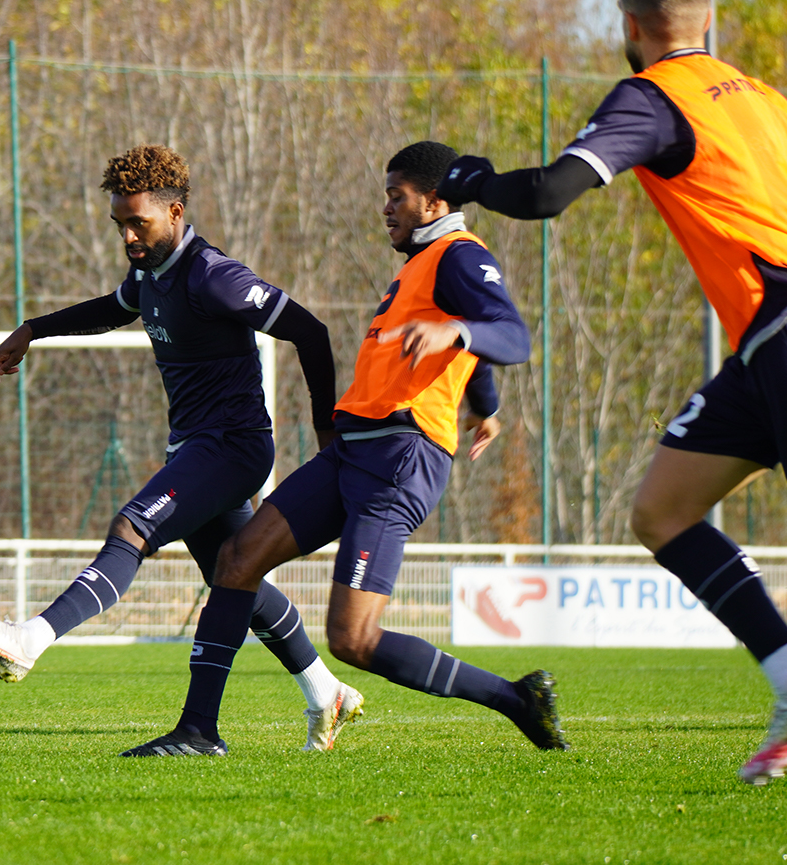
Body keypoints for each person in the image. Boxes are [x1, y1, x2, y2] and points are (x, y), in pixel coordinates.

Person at [438, 0, 787, 785]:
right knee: (663, 512)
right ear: (709, 15)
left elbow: (548, 194)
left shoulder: (652, 97)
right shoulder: (756, 95)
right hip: (779, 343)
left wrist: (468, 180)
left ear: (629, 22)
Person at [122, 140, 568, 757]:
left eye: (397, 196)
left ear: (435, 199)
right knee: (237, 558)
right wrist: (483, 405)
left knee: (353, 640)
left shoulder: (459, 256)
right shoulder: (419, 263)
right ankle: (198, 732)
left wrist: (453, 334)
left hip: (401, 459)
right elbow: (466, 348)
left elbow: (510, 334)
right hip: (354, 450)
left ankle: (515, 699)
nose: (386, 207)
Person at [0, 144, 364, 752]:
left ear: (175, 212)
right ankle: (326, 692)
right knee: (234, 576)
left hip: (233, 446)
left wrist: (327, 430)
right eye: (119, 223)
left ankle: (30, 640)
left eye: (137, 223)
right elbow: (112, 309)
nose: (127, 236)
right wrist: (34, 329)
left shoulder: (215, 277)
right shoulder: (148, 272)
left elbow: (310, 330)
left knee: (132, 529)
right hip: (195, 448)